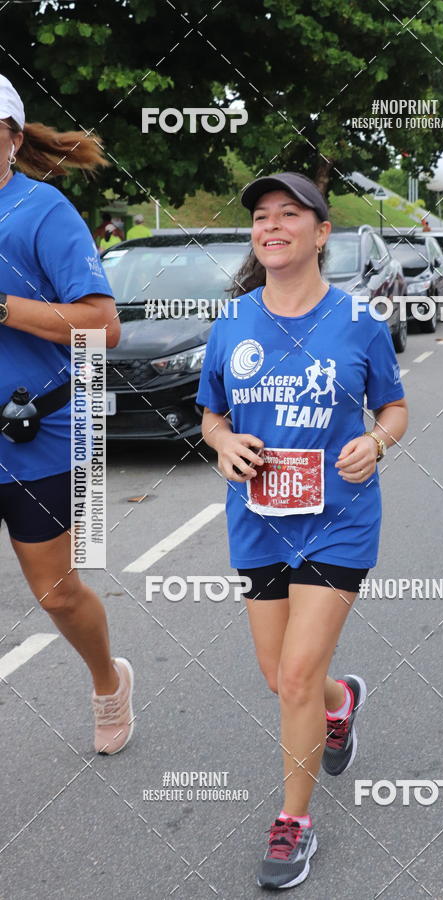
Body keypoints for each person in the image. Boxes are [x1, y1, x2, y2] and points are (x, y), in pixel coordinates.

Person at [197, 171, 408, 891]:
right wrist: (223, 444)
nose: (274, 225)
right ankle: (340, 705)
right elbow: (212, 415)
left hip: (338, 522)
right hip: (258, 522)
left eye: (291, 214)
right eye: (262, 216)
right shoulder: (231, 323)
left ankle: (293, 822)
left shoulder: (358, 322)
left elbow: (395, 409)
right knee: (280, 677)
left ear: (322, 233)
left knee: (293, 675)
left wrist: (374, 444)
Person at [0, 74, 133, 754]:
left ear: (13, 138)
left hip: (34, 433)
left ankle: (108, 680)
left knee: (54, 593)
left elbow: (101, 326)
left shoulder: (40, 210)